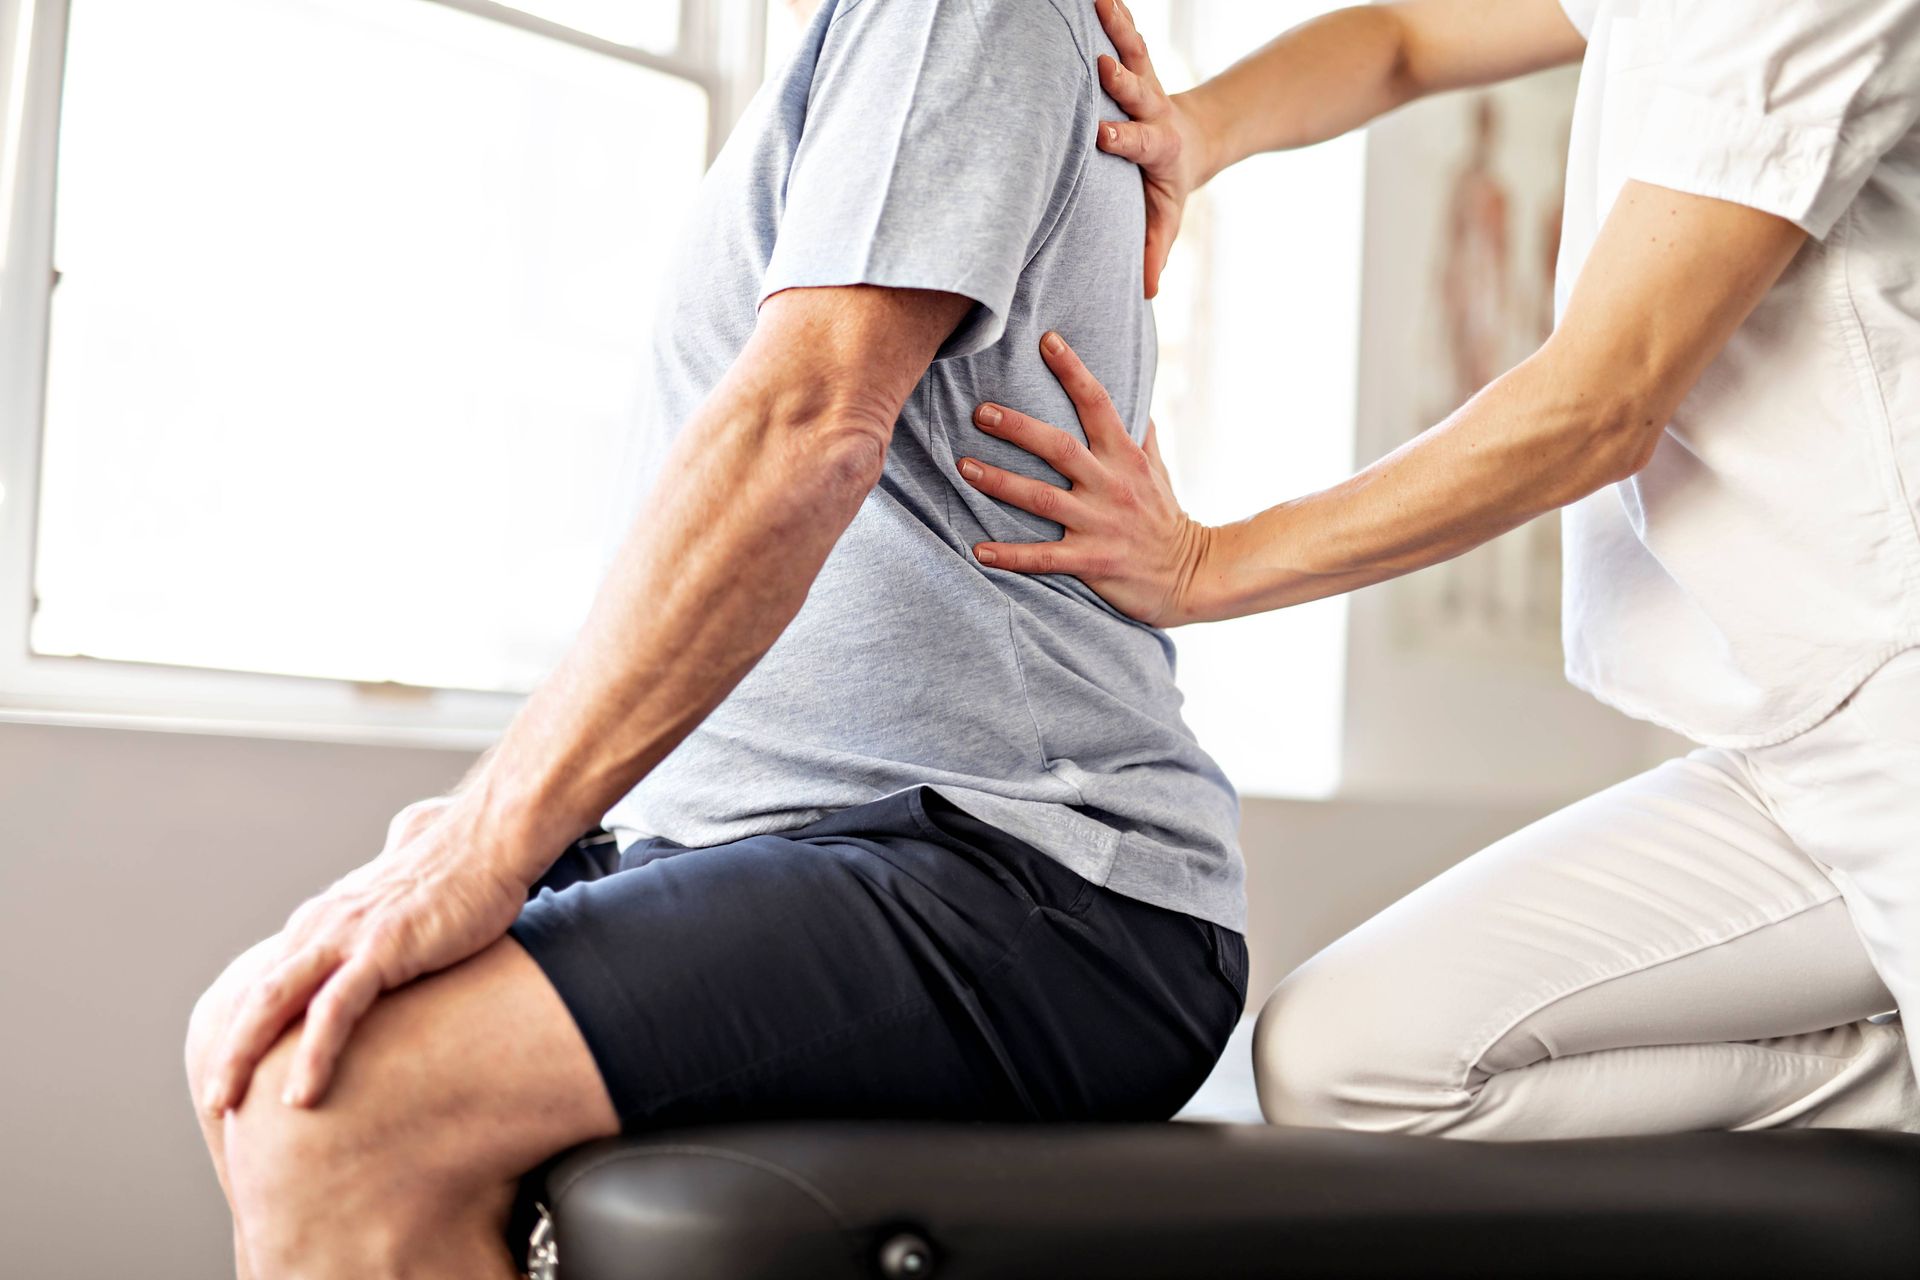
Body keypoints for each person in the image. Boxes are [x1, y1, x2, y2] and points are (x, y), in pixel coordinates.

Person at [182, 1, 1250, 1273]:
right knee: (254, 1032)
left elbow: (805, 428)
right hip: (800, 831)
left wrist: (492, 835)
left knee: (341, 1099)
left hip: (1033, 863)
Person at [964, 0, 1920, 1137]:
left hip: (1889, 696)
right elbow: (1406, 36)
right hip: (1787, 732)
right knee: (1348, 1057)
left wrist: (1208, 563)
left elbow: (1599, 406)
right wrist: (1196, 129)